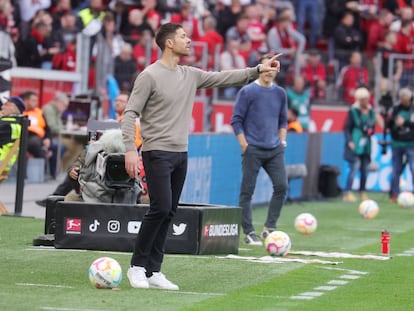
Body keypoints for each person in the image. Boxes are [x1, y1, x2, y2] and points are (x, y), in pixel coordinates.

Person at [121, 22, 281, 291]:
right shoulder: (149, 76)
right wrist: (128, 149)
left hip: (181, 153)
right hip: (156, 151)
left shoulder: (190, 74)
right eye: (183, 36)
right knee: (159, 208)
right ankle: (136, 267)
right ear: (169, 43)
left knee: (169, 211)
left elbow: (222, 77)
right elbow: (130, 113)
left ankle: (154, 270)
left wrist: (257, 71)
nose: (189, 40)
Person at [231, 54, 288, 246]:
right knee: (247, 191)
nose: (270, 70)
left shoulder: (280, 93)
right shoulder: (248, 92)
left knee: (282, 186)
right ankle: (248, 232)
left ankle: (269, 228)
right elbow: (236, 120)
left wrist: (282, 140)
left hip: (274, 149)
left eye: (274, 67)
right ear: (261, 67)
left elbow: (283, 120)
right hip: (253, 149)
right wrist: (244, 145)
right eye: (267, 66)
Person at [342, 87, 383, 202]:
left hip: (366, 145)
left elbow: (372, 128)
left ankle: (362, 191)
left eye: (367, 99)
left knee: (364, 169)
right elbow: (347, 128)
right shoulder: (353, 111)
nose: (366, 101)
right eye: (364, 99)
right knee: (354, 168)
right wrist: (349, 141)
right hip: (355, 144)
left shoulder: (371, 112)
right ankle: (347, 191)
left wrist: (371, 131)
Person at [388, 88, 414, 202]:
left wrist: (405, 123)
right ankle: (394, 193)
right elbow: (389, 124)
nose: (403, 102)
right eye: (401, 99)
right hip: (397, 143)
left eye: (405, 100)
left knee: (413, 168)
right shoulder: (396, 109)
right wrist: (393, 121)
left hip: (411, 143)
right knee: (396, 169)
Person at [0, 96, 26, 181]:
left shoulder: (9, 124)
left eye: (7, 104)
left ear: (15, 109)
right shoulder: (14, 123)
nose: (2, 107)